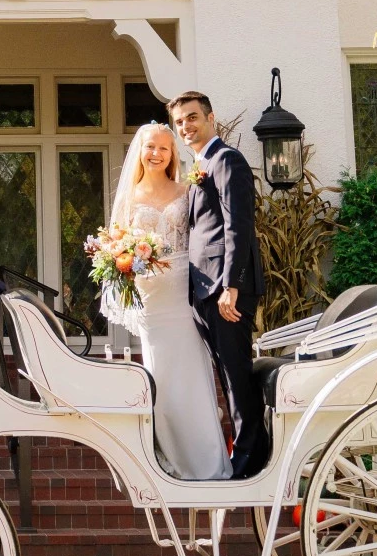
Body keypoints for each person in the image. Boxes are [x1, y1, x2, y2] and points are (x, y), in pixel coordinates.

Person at [101, 123, 230, 481]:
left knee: (191, 368)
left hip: (184, 293)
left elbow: (203, 237)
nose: (156, 153)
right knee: (162, 373)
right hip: (151, 300)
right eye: (150, 147)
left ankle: (205, 458)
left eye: (164, 148)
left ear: (173, 154)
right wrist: (123, 258)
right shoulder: (128, 197)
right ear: (140, 152)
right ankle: (171, 456)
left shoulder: (186, 190)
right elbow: (115, 246)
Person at [169, 87, 270, 479]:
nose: (186, 126)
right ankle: (244, 453)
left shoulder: (227, 160)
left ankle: (250, 458)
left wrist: (232, 284)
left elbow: (238, 226)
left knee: (236, 372)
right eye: (179, 122)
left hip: (226, 289)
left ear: (211, 118)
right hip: (205, 288)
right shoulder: (201, 164)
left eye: (192, 117)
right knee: (227, 374)